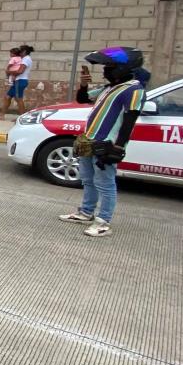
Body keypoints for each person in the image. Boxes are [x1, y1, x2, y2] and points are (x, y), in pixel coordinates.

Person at [58, 47, 146, 238]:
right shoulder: (108, 88)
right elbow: (82, 99)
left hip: (106, 145)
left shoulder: (134, 90)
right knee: (88, 180)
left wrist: (118, 147)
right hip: (89, 141)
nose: (106, 70)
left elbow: (129, 120)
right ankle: (86, 212)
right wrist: (83, 85)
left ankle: (103, 222)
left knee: (105, 184)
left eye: (110, 66)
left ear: (124, 67)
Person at [0, 47, 25, 120]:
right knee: (7, 97)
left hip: (17, 81)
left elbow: (11, 67)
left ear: (13, 54)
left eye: (11, 53)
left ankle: (22, 118)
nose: (10, 54)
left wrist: (7, 70)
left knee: (18, 99)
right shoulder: (21, 59)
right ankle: (1, 115)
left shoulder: (14, 59)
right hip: (15, 81)